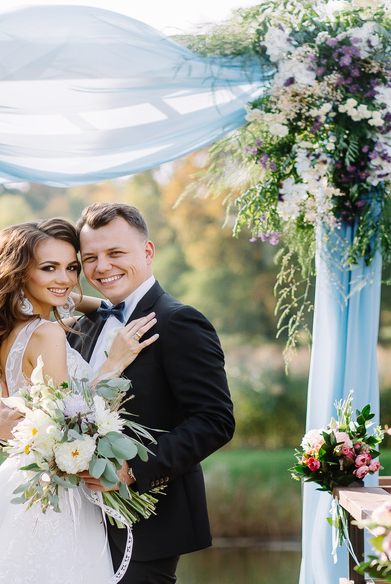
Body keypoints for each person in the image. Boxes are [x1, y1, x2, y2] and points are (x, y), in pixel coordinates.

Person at [0, 218, 158, 584]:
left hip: (23, 480)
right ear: (19, 275)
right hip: (57, 490)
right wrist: (114, 362)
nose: (64, 278)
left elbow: (74, 300)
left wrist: (101, 302)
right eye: (49, 268)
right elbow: (73, 419)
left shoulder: (11, 329)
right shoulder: (47, 333)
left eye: (72, 267)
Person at [73, 202, 235, 584]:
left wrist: (132, 470)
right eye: (90, 257)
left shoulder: (180, 321)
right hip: (79, 520)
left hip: (149, 522)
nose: (102, 267)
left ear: (147, 252)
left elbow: (215, 421)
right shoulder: (83, 326)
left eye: (115, 253)